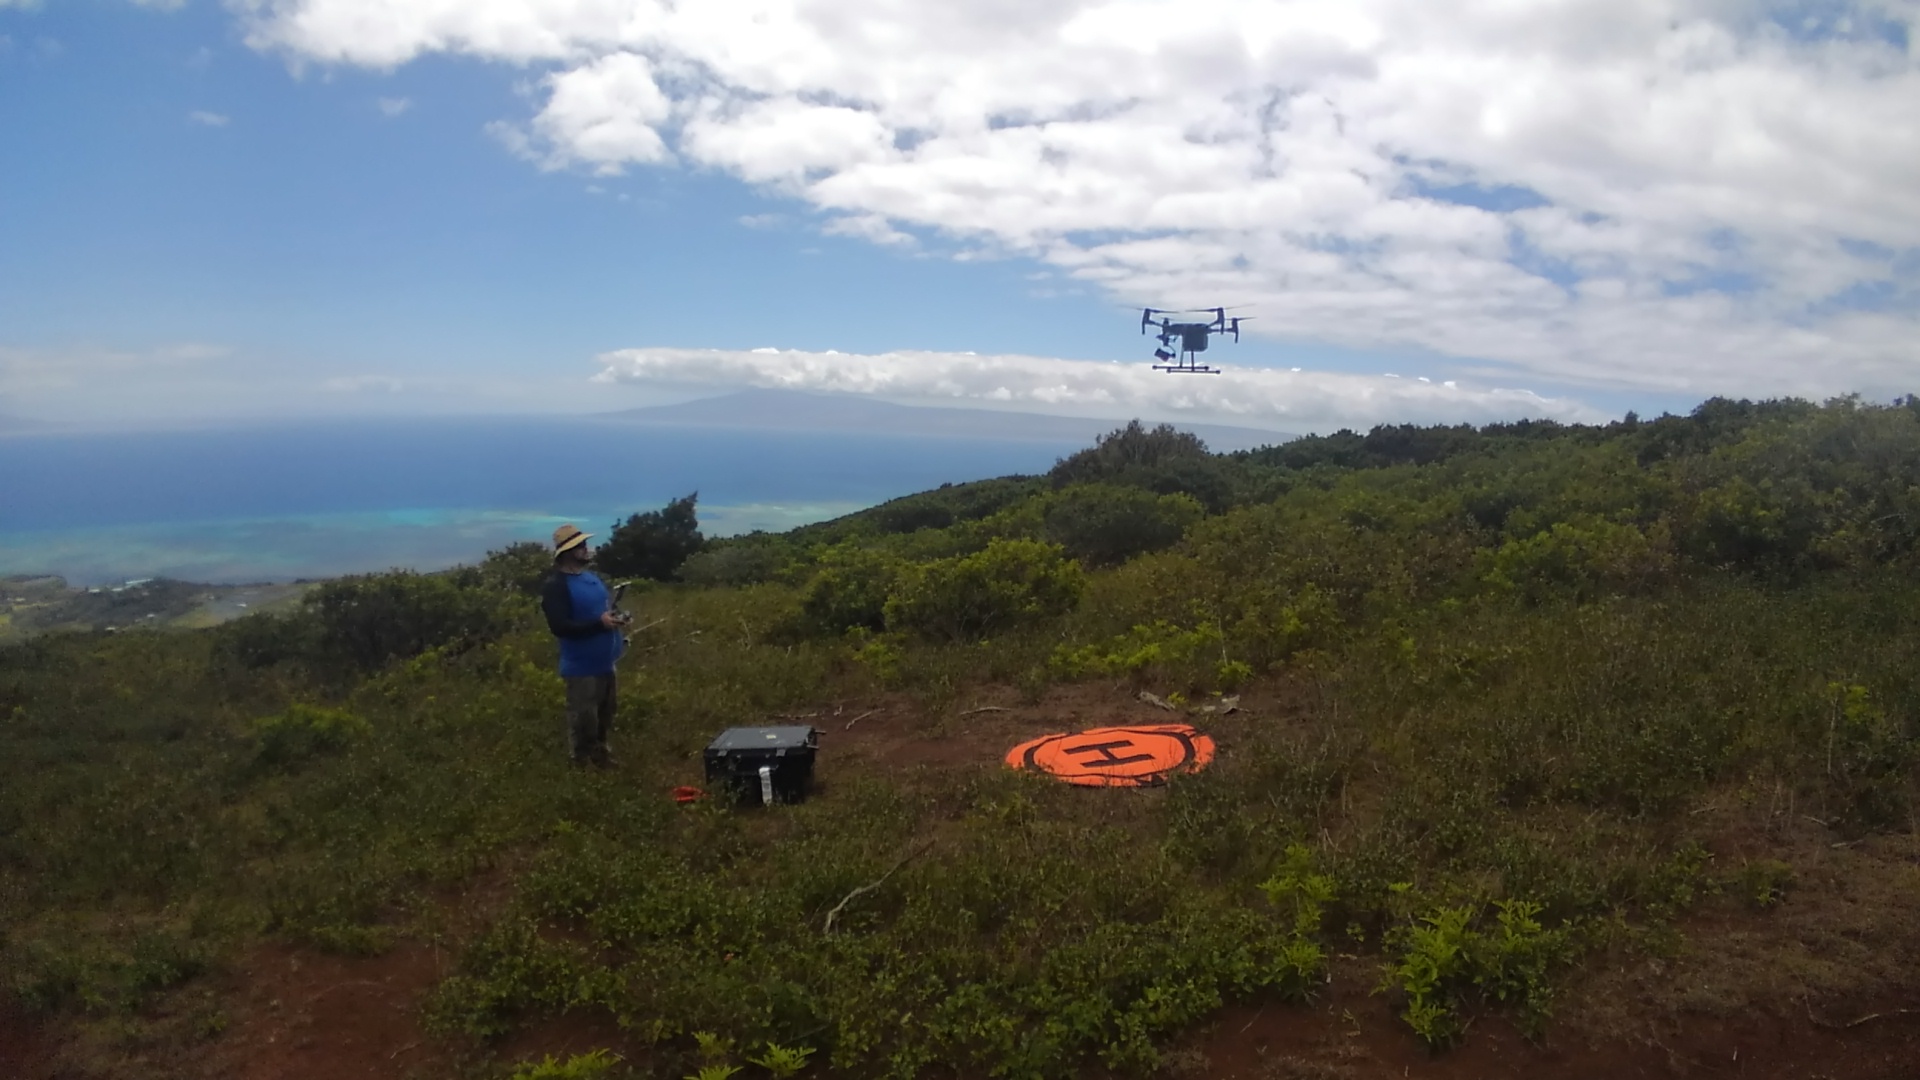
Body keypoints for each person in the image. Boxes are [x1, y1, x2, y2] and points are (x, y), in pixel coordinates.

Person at [540, 523, 628, 767]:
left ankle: (602, 758)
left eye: (584, 544)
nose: (585, 549)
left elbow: (602, 612)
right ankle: (582, 767)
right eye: (579, 546)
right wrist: (599, 624)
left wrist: (614, 618)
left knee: (605, 715)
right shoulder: (556, 586)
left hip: (606, 663)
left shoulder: (591, 578)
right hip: (581, 667)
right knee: (583, 719)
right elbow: (560, 627)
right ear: (567, 552)